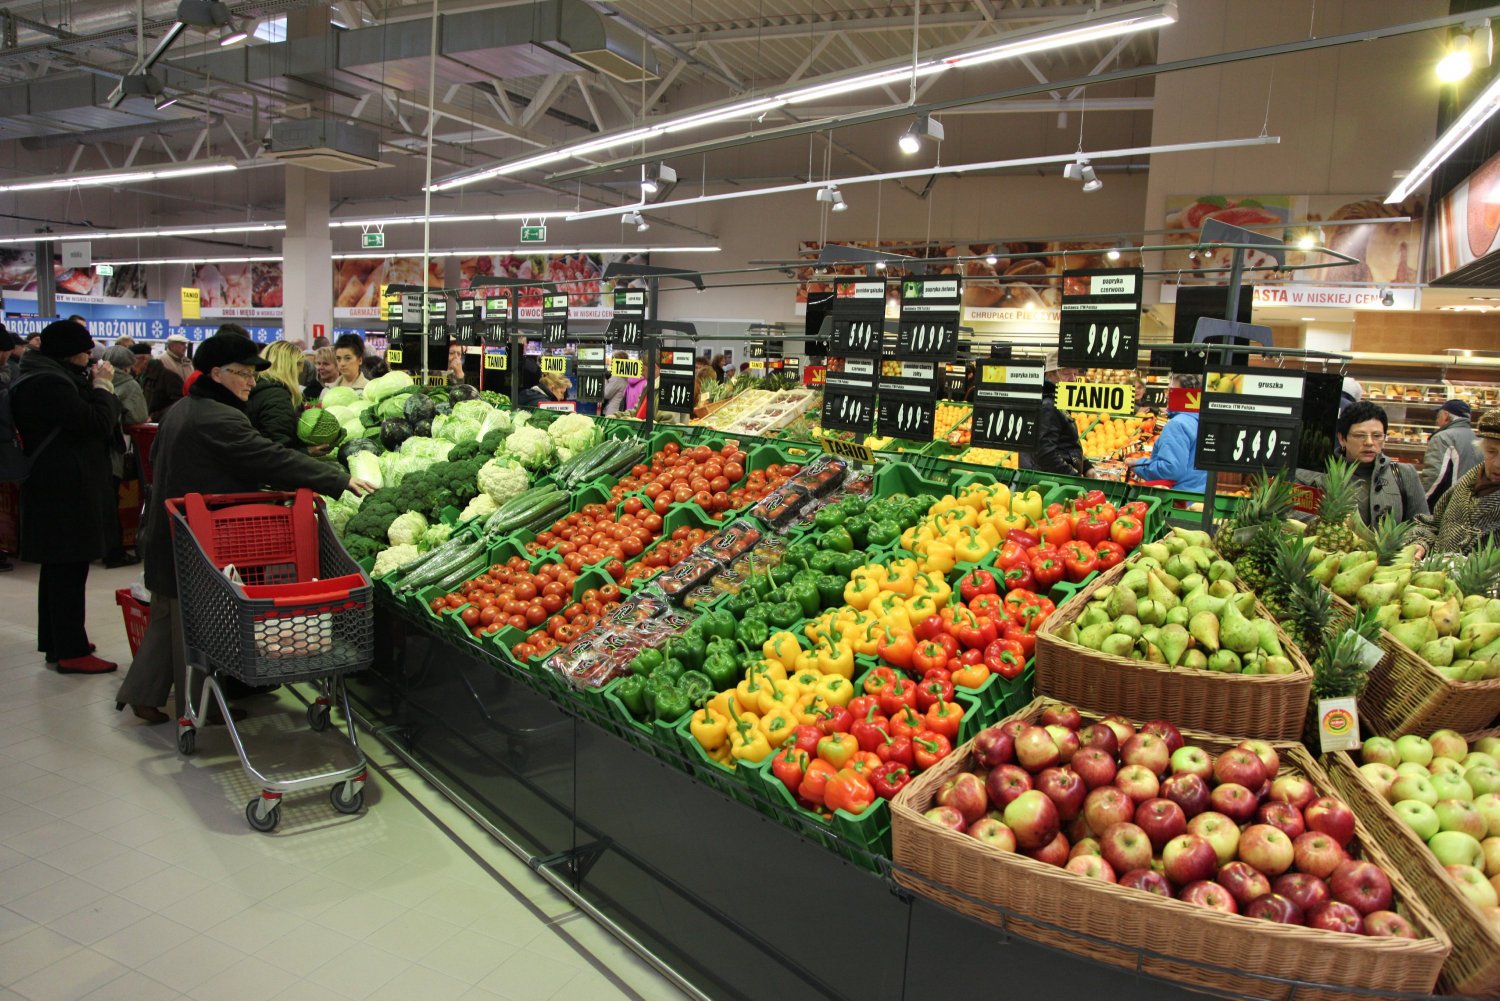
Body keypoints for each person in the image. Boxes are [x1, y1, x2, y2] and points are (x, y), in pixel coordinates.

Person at [113, 333, 374, 725]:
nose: (251, 382)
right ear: (216, 374)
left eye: (253, 374)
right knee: (199, 625)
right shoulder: (219, 417)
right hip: (195, 538)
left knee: (168, 615)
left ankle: (142, 695)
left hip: (169, 534)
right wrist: (336, 480)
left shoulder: (184, 409)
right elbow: (268, 457)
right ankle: (202, 706)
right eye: (243, 374)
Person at [11, 321, 121, 674]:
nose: (90, 358)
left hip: (53, 483)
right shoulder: (50, 383)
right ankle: (71, 650)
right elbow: (96, 422)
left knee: (59, 568)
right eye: (86, 352)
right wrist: (104, 386)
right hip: (64, 487)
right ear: (71, 353)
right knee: (70, 566)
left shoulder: (37, 375)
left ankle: (58, 641)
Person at [1314, 400, 1427, 527]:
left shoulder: (1405, 473)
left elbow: (1423, 524)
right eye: (1359, 435)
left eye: (1377, 436)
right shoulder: (1319, 474)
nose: (1369, 442)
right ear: (1342, 439)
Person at [1411, 409, 1500, 559]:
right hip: (1437, 579)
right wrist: (1421, 543)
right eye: (1491, 451)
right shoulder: (1467, 483)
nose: (1498, 463)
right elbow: (1433, 525)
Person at [99, 345, 146, 568]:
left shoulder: (93, 378)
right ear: (129, 365)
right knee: (111, 503)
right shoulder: (129, 385)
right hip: (114, 451)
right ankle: (113, 552)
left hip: (91, 450)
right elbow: (137, 416)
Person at [1126, 374, 1206, 491]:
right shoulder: (1199, 420)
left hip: (1177, 499)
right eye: (1166, 390)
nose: (1166, 395)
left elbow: (1171, 469)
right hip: (1197, 495)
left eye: (1170, 390)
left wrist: (1138, 464)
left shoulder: (1177, 424)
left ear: (1186, 394)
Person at [1025, 351, 1098, 478]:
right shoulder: (1047, 405)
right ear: (1050, 374)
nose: (1073, 379)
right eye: (1066, 374)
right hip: (1050, 481)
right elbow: (1045, 453)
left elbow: (1065, 443)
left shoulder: (1059, 399)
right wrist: (1073, 476)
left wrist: (1086, 466)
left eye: (1075, 374)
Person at [247, 340, 327, 454]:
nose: (300, 373)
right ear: (291, 367)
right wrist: (308, 451)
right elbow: (279, 450)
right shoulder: (277, 397)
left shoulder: (259, 388)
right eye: (299, 368)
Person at [1420, 399, 1481, 506]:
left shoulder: (1443, 437)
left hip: (1448, 506)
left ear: (1446, 415)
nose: (1437, 421)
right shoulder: (1477, 439)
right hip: (1471, 505)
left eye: (1438, 417)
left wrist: (1418, 502)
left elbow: (1434, 475)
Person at [142, 332, 192, 419]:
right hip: (167, 404)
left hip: (188, 401)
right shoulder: (161, 360)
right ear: (172, 346)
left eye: (185, 344)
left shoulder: (187, 362)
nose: (185, 347)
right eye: (182, 344)